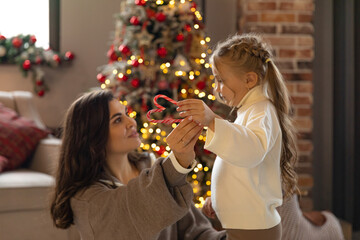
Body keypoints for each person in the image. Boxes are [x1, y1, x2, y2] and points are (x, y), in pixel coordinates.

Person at [50, 90, 226, 240]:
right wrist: (176, 163)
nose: (131, 122)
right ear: (93, 137)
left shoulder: (149, 168)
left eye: (126, 114)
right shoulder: (86, 199)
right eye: (118, 120)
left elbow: (194, 232)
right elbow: (131, 212)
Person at [176, 33, 298, 240]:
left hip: (255, 230)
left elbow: (251, 151)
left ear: (250, 79)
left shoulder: (262, 110)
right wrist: (219, 198)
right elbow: (240, 167)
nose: (216, 88)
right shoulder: (250, 110)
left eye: (221, 80)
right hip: (247, 226)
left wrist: (213, 121)